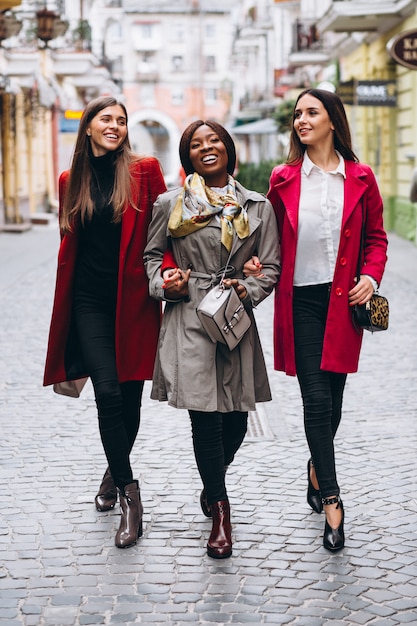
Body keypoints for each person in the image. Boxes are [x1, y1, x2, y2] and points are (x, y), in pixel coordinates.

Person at [245, 89, 388, 551]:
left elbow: (377, 239)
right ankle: (331, 499)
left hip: (344, 302)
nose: (301, 120)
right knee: (316, 401)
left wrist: (370, 274)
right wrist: (256, 264)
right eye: (297, 114)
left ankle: (314, 467)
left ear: (332, 121)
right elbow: (266, 236)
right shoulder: (284, 177)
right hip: (302, 300)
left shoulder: (361, 177)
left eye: (311, 112)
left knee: (336, 400)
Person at [144, 120, 280, 559]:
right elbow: (150, 258)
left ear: (227, 149)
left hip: (233, 311)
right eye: (196, 144)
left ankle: (211, 480)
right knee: (204, 414)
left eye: (214, 141)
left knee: (237, 418)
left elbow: (271, 267)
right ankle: (221, 511)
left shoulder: (257, 206)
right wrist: (167, 283)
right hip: (188, 312)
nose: (207, 148)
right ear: (188, 156)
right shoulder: (170, 204)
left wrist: (249, 288)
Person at [43, 96, 167, 548]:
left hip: (133, 300)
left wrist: (168, 275)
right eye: (105, 119)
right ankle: (131, 497)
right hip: (88, 302)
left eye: (121, 120)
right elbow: (69, 240)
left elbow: (164, 231)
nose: (114, 125)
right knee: (108, 392)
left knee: (130, 399)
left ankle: (112, 472)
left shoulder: (144, 171)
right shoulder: (68, 180)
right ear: (89, 128)